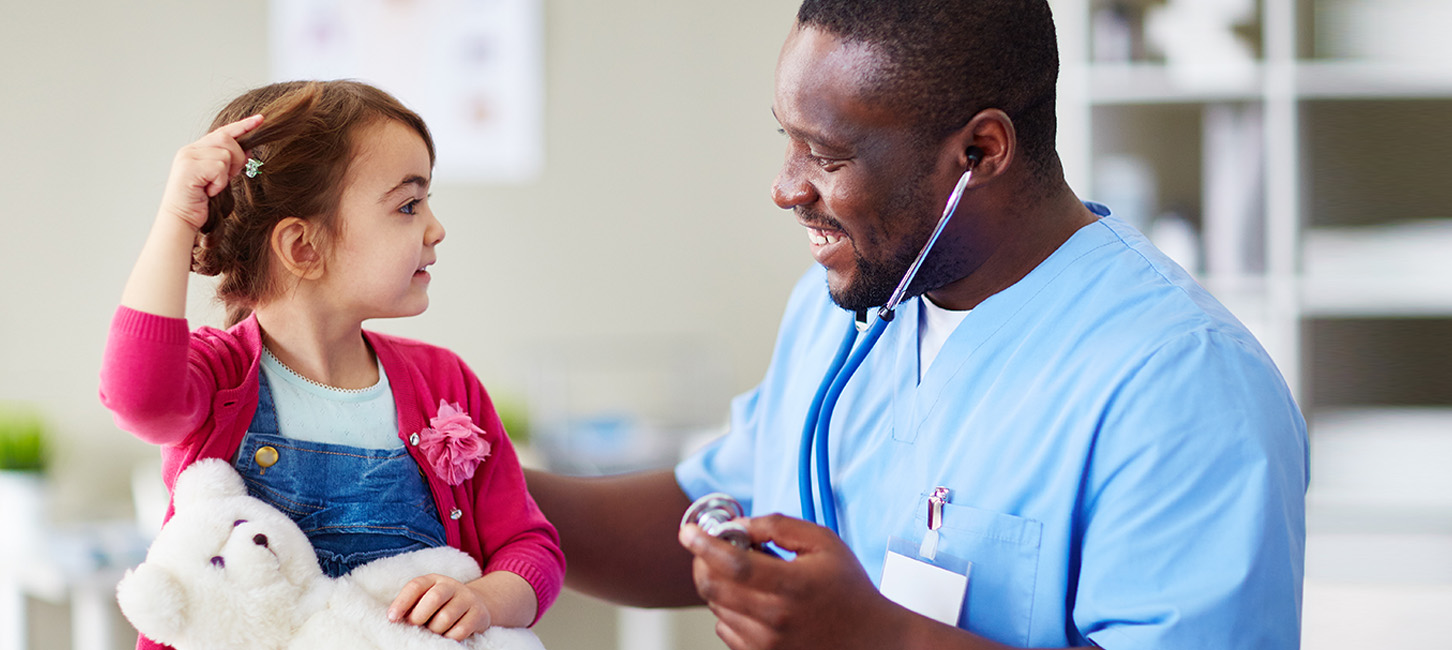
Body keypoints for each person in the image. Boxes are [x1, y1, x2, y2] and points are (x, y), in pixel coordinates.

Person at [526, 1, 1307, 649]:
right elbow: (711, 519)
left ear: (980, 150)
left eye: (826, 156)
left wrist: (881, 639)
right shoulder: (849, 304)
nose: (785, 187)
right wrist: (460, 488)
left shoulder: (1185, 385)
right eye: (786, 140)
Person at [99, 80, 563, 649]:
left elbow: (530, 547)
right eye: (409, 205)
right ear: (303, 248)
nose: (436, 229)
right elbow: (138, 397)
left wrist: (486, 600)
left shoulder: (446, 383)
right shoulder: (218, 377)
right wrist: (176, 218)